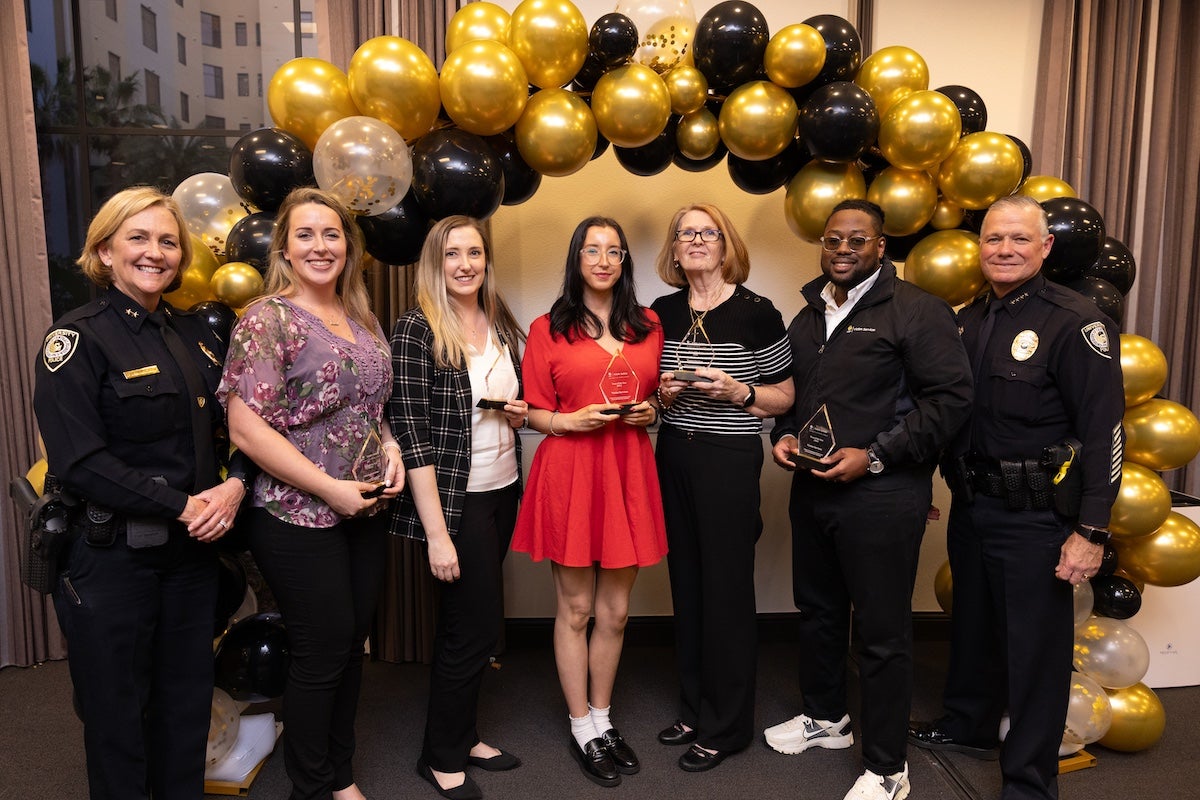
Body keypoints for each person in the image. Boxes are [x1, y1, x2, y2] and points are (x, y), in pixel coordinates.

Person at [33, 186, 250, 800]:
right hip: (110, 560)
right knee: (117, 721)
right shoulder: (75, 341)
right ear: (104, 250)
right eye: (138, 238)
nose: (155, 253)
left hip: (189, 561)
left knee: (185, 714)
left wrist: (233, 487)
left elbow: (236, 428)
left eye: (168, 241)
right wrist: (184, 505)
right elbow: (79, 463)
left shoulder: (192, 336)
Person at [908, 194, 1124, 800]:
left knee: (1035, 654)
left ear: (1046, 247)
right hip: (974, 504)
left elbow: (1105, 429)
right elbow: (948, 414)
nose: (1004, 250)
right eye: (994, 239)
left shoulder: (1074, 322)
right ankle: (970, 723)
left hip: (1037, 518)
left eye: (1019, 240)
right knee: (972, 626)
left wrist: (1092, 531)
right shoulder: (969, 319)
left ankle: (1029, 782)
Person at [763, 199, 973, 800]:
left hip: (882, 495)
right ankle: (827, 718)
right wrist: (784, 439)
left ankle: (887, 768)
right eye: (833, 240)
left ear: (882, 247)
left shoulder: (918, 311)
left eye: (858, 240)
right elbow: (796, 399)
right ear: (822, 245)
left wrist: (876, 455)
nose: (843, 250)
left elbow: (951, 401)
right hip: (813, 492)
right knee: (819, 612)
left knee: (881, 634)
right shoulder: (807, 317)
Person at [221, 187, 404, 800]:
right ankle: (312, 784)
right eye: (306, 234)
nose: (321, 246)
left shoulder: (363, 319)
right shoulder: (266, 319)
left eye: (332, 235)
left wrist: (393, 448)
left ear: (349, 248)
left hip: (367, 507)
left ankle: (339, 774)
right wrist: (332, 489)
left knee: (352, 646)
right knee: (321, 650)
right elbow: (247, 428)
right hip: (298, 512)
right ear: (285, 248)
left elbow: (371, 408)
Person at [511, 217, 668, 788]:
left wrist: (653, 412)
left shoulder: (649, 324)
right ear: (577, 258)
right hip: (571, 470)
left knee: (616, 612)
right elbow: (529, 411)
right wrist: (568, 421)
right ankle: (581, 726)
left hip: (628, 469)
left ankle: (603, 718)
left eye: (614, 251)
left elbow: (655, 395)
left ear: (624, 261)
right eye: (591, 249)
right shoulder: (546, 327)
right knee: (575, 609)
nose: (603, 259)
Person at [650, 203, 795, 771]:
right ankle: (693, 707)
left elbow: (785, 396)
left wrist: (740, 394)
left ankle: (728, 726)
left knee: (727, 592)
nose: (696, 241)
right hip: (674, 457)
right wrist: (664, 394)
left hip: (728, 460)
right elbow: (652, 388)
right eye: (686, 233)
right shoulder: (661, 311)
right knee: (686, 585)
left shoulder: (758, 312)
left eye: (707, 233)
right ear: (675, 248)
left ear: (726, 244)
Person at [389, 216, 528, 800]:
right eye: (453, 254)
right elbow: (413, 434)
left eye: (475, 252)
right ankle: (440, 755)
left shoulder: (495, 318)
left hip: (503, 487)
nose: (466, 264)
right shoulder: (416, 329)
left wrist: (517, 411)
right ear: (434, 263)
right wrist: (438, 533)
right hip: (456, 500)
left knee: (473, 623)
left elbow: (497, 401)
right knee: (468, 631)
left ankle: (465, 733)